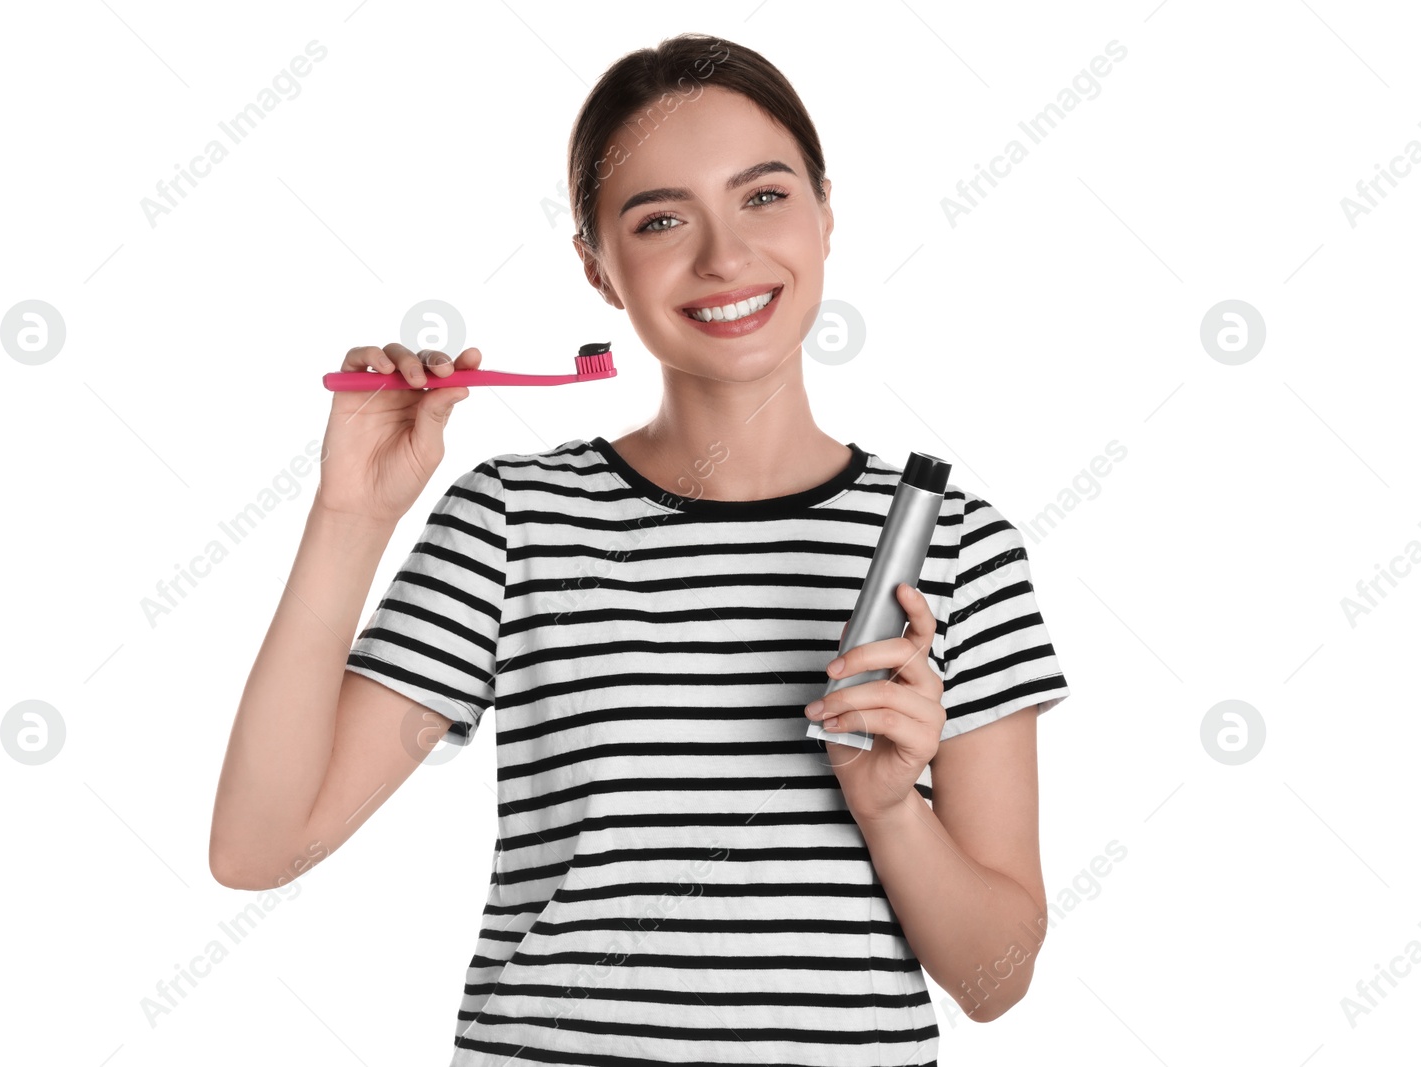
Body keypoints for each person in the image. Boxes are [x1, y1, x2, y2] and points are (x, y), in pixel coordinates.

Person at [210, 32, 1071, 1066]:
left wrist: (890, 808)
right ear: (598, 268)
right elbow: (257, 849)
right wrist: (352, 515)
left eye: (763, 196)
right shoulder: (514, 520)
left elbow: (996, 980)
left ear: (826, 213)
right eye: (661, 219)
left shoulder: (960, 544)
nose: (722, 256)